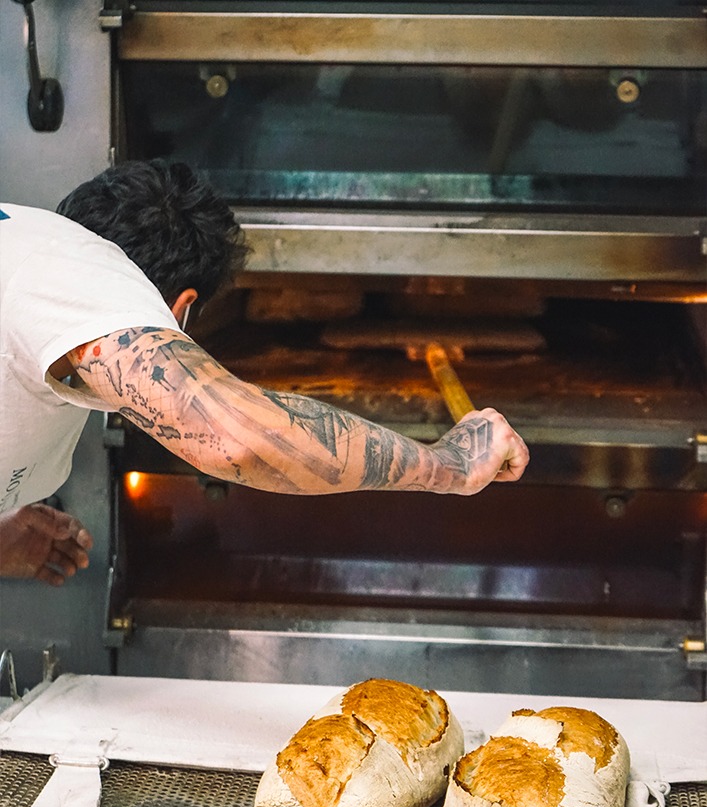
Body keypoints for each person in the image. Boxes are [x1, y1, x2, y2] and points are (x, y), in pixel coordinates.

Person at [0, 160, 529, 587]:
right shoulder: (77, 265)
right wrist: (451, 463)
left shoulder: (27, 268)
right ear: (178, 311)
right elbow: (236, 438)